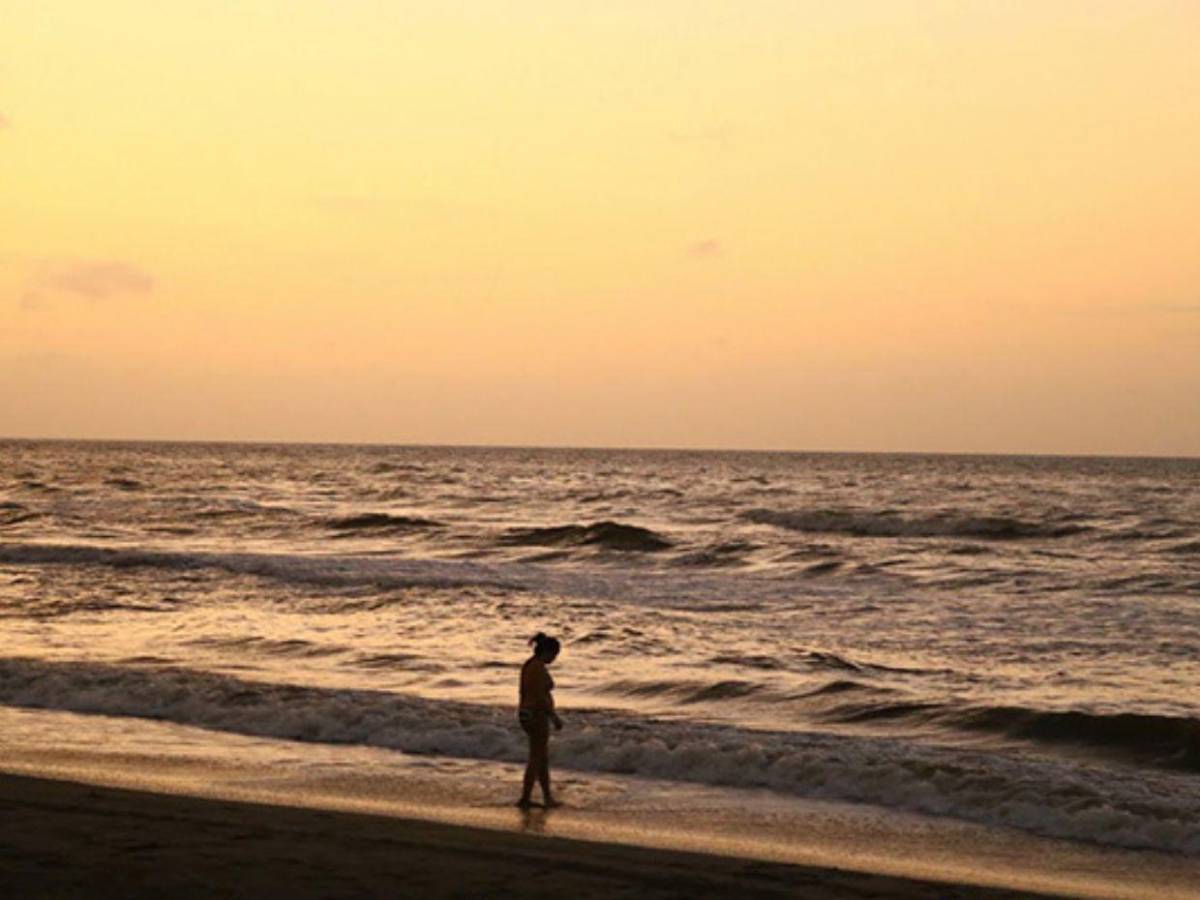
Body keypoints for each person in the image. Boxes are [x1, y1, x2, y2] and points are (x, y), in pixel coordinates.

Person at [517, 632, 563, 808]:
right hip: (536, 714)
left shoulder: (530, 665)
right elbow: (539, 697)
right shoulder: (536, 668)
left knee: (541, 758)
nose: (555, 658)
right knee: (537, 758)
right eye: (554, 655)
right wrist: (554, 716)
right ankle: (525, 798)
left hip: (527, 713)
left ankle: (546, 797)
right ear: (548, 652)